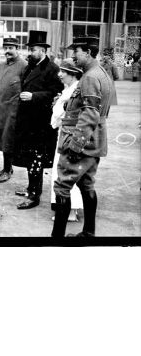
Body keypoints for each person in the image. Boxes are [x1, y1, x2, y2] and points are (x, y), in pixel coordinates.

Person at [51, 37, 112, 238]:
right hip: (95, 141)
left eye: (75, 51)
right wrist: (70, 105)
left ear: (87, 52)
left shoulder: (89, 77)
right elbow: (100, 108)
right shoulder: (101, 73)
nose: (73, 56)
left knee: (62, 186)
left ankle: (57, 238)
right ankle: (88, 232)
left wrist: (76, 145)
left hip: (81, 142)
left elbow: (91, 113)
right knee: (86, 184)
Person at [12, 31, 64, 210]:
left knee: (36, 159)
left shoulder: (53, 69)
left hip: (40, 124)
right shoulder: (31, 66)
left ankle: (34, 196)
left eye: (32, 49)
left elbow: (56, 93)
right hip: (28, 121)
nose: (29, 53)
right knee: (30, 158)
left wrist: (34, 96)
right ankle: (30, 188)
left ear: (42, 50)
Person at [0, 38, 28, 183]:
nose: (7, 51)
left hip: (13, 111)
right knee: (1, 140)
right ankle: (6, 168)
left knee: (8, 141)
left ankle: (8, 169)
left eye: (11, 47)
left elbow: (26, 88)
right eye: (5, 48)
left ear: (18, 48)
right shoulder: (1, 65)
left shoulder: (24, 66)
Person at [49, 60, 84, 223]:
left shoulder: (75, 91)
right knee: (63, 172)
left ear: (73, 74)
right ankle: (66, 209)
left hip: (69, 135)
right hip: (64, 133)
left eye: (63, 72)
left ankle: (70, 212)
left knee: (67, 172)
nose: (59, 74)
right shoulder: (68, 89)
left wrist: (58, 107)